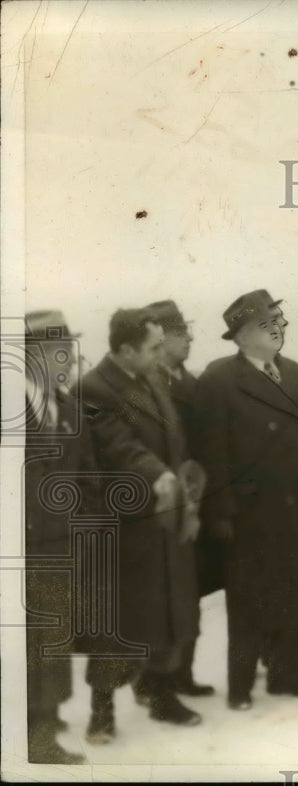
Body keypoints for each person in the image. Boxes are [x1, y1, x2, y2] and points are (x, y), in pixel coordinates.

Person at [194, 289, 298, 709]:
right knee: (249, 604)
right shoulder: (219, 380)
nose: (275, 329)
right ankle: (240, 688)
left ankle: (288, 676)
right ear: (239, 338)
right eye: (264, 324)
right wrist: (221, 511)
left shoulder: (294, 373)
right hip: (253, 514)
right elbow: (211, 452)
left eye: (277, 320)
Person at [78, 308, 202, 743]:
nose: (158, 353)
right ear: (126, 349)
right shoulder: (93, 388)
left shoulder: (150, 379)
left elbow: (173, 440)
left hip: (163, 518)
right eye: (151, 347)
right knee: (118, 626)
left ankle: (161, 695)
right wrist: (158, 475)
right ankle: (101, 711)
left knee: (166, 612)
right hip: (124, 526)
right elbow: (120, 447)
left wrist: (185, 491)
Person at [22, 311, 91, 764]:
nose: (68, 360)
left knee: (55, 638)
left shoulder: (65, 406)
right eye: (59, 351)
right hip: (28, 548)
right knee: (37, 641)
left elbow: (83, 474)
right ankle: (37, 734)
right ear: (33, 356)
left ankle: (45, 718)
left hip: (61, 545)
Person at [144, 299, 217, 698]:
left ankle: (181, 675)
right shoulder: (149, 385)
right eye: (180, 334)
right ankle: (154, 680)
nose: (188, 339)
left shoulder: (192, 384)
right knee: (161, 599)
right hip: (162, 505)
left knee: (189, 597)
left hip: (195, 500)